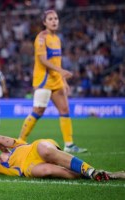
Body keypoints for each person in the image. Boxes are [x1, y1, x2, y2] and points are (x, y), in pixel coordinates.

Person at [18, 10, 87, 153]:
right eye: (50, 19)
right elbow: (43, 60)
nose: (54, 21)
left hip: (56, 80)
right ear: (44, 22)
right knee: (38, 111)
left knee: (64, 109)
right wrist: (61, 72)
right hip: (43, 80)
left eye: (56, 18)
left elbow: (57, 61)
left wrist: (63, 80)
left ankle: (69, 145)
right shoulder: (41, 38)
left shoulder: (57, 39)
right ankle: (20, 141)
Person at [0, 134, 125, 181]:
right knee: (46, 170)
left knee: (46, 151)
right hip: (29, 167)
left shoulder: (18, 145)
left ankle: (89, 170)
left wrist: (2, 148)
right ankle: (102, 175)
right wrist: (0, 156)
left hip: (36, 149)